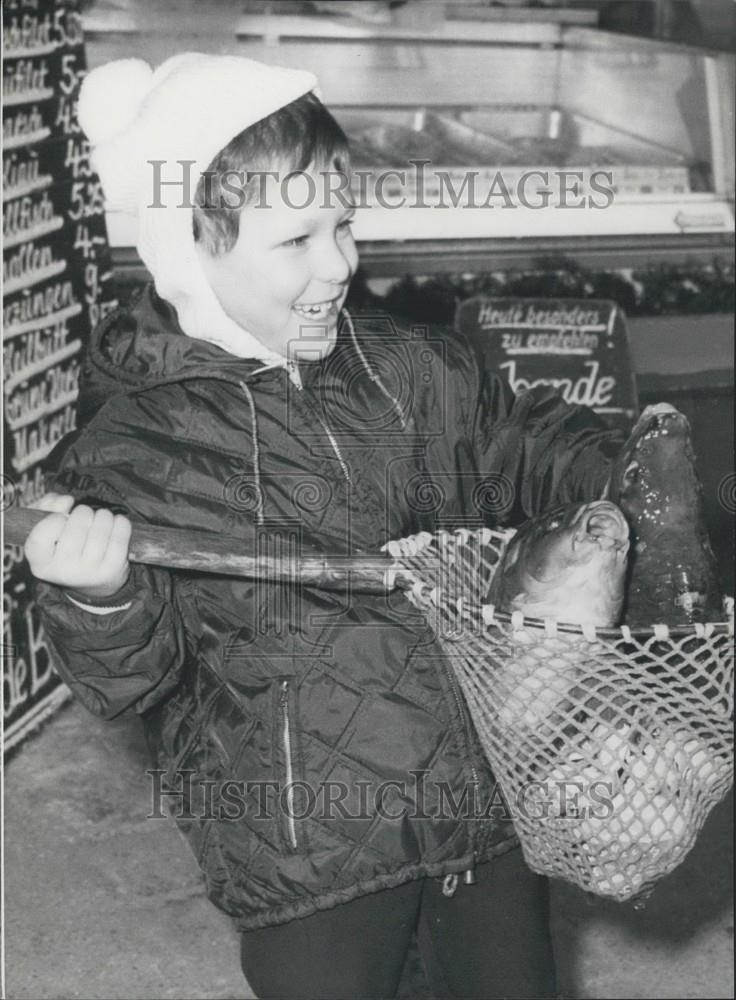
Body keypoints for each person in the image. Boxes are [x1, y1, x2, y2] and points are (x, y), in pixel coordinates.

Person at [25, 54, 622, 999]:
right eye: (297, 238)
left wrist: (627, 470)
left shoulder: (412, 367)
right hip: (307, 848)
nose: (340, 264)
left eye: (344, 225)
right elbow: (128, 680)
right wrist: (101, 598)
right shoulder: (133, 453)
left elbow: (519, 443)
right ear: (191, 247)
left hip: (485, 795)